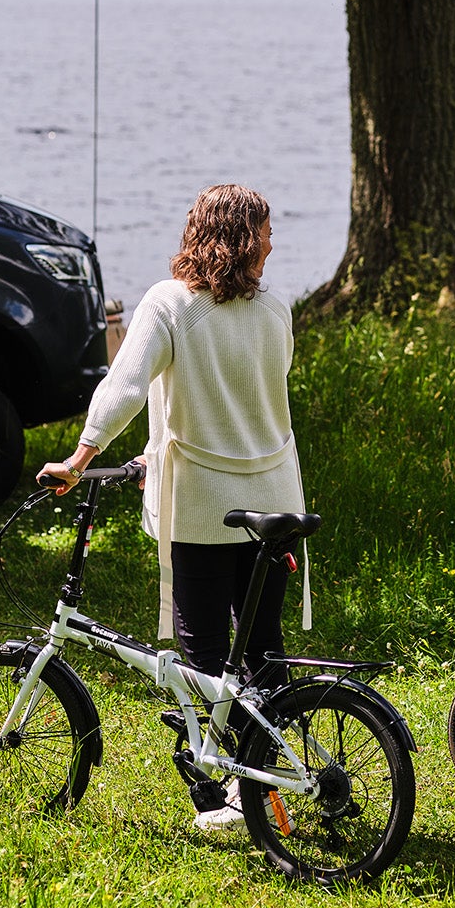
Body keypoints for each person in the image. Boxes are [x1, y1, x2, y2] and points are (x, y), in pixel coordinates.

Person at [39, 183, 307, 830]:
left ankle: (236, 786)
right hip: (275, 500)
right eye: (266, 233)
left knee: (207, 652)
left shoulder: (168, 304)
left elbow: (125, 387)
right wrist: (156, 455)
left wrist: (80, 460)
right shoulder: (275, 308)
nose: (273, 244)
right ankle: (263, 781)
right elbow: (247, 401)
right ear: (243, 240)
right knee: (263, 649)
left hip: (205, 506)